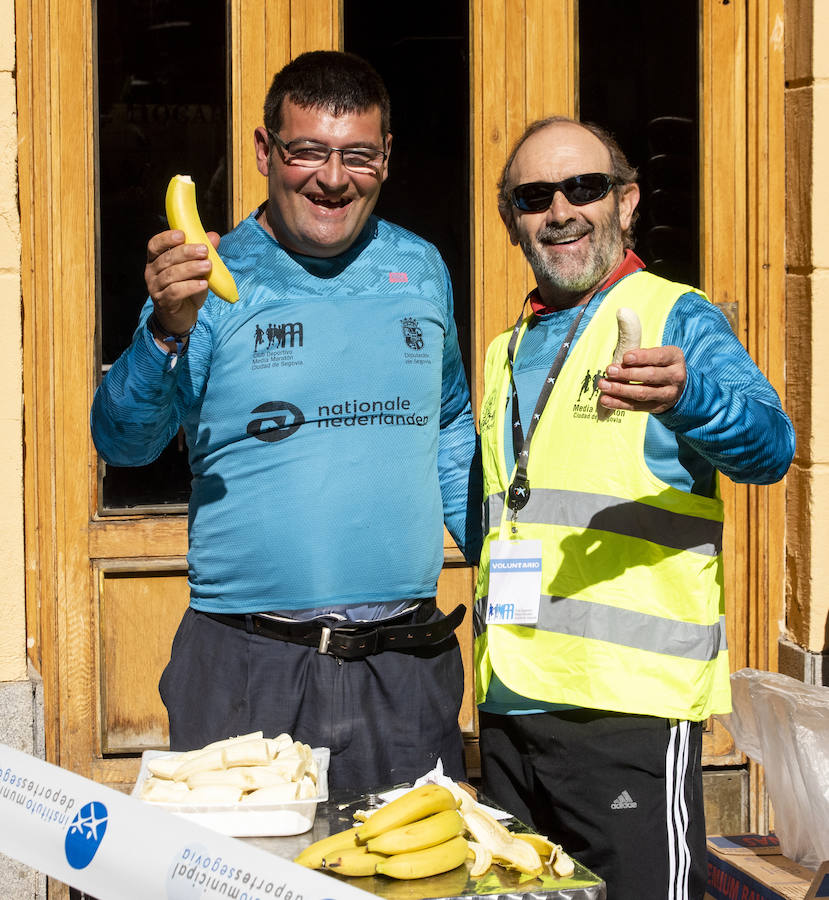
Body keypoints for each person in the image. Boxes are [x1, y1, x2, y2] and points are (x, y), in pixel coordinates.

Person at [91, 51, 482, 791]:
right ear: (265, 151)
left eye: (357, 155)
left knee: (407, 856)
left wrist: (505, 560)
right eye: (307, 151)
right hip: (250, 664)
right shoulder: (208, 277)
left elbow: (451, 423)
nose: (332, 178)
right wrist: (165, 331)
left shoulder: (422, 267)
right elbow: (124, 442)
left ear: (386, 157)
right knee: (247, 858)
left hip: (404, 664)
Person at [474, 115, 795, 899]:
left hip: (628, 713)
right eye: (533, 196)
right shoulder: (502, 350)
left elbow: (769, 446)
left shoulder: (675, 315)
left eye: (583, 188)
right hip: (511, 702)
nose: (559, 211)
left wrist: (689, 398)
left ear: (626, 201)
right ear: (511, 220)